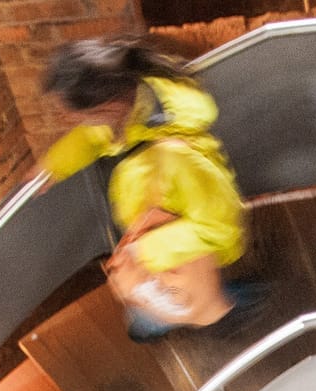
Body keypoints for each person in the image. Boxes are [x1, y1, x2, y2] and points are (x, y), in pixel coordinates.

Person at [41, 37, 249, 341]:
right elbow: (92, 138)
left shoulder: (178, 157)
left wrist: (142, 253)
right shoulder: (128, 117)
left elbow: (220, 227)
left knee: (151, 326)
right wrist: (55, 165)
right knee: (142, 325)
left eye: (81, 117)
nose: (77, 123)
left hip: (181, 259)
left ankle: (235, 316)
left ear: (108, 106)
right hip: (163, 258)